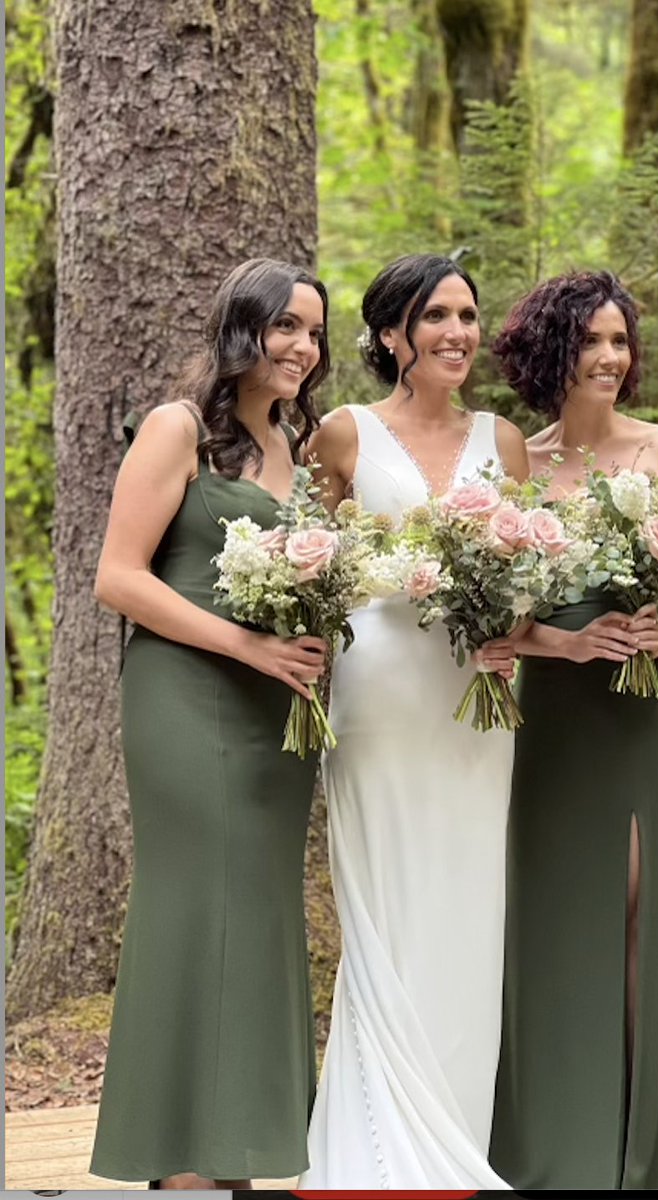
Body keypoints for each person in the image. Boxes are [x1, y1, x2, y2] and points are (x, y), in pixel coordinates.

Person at [90, 258, 331, 1190]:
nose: (302, 349)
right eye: (286, 328)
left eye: (313, 333)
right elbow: (119, 576)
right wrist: (247, 646)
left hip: (278, 705)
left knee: (260, 912)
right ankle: (178, 1162)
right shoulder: (176, 428)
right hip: (185, 696)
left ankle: (235, 1147)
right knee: (195, 904)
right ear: (242, 328)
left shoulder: (298, 457)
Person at [488, 270, 658, 1190]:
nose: (609, 357)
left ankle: (640, 1151)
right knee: (550, 915)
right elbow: (499, 617)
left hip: (645, 707)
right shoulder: (519, 463)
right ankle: (555, 1146)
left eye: (619, 341)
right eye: (590, 341)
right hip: (553, 711)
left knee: (635, 911)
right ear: (553, 351)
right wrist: (565, 641)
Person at [297, 253, 528, 1189]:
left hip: (476, 707)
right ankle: (371, 1150)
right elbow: (308, 567)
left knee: (467, 905)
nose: (458, 334)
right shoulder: (343, 435)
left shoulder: (503, 440)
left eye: (468, 316)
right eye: (436, 316)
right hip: (379, 696)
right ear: (392, 333)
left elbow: (523, 573)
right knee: (385, 911)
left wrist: (511, 630)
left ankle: (453, 1148)